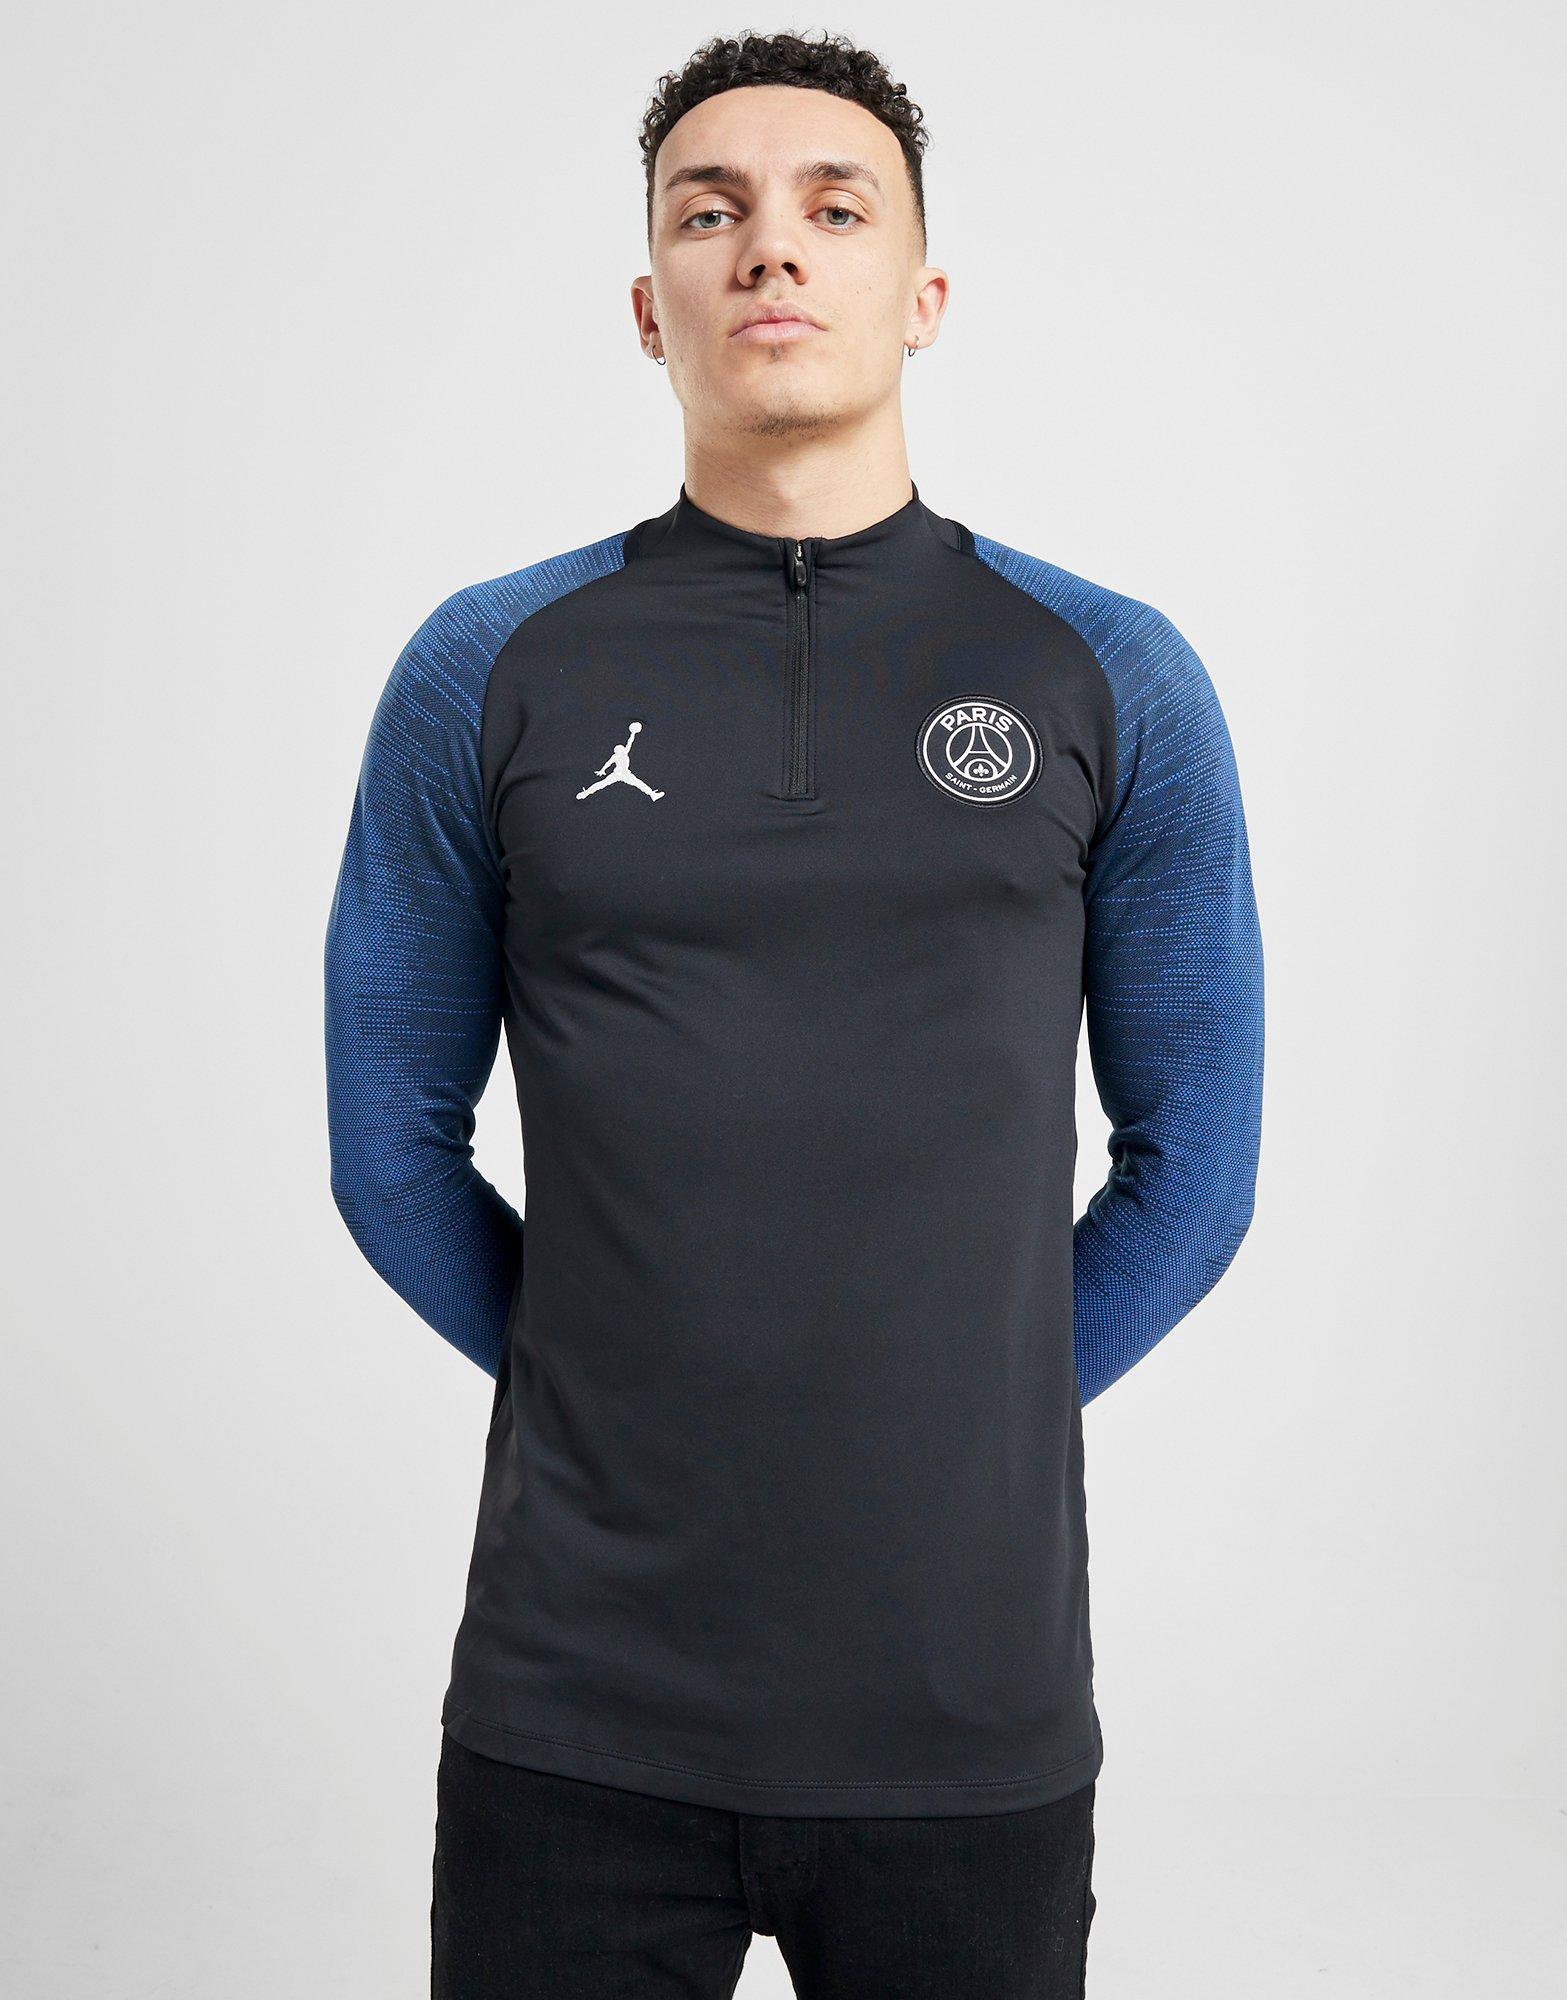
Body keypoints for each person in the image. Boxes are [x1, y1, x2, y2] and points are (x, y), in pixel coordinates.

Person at [323, 28, 1264, 1999]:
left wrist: (953, 1412)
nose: (771, 246)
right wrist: (616, 1385)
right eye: (711, 211)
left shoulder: (1108, 674)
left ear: (922, 294)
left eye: (836, 209)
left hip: (968, 1709)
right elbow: (388, 1146)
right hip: (575, 1706)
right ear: (645, 301)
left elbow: (1193, 1173)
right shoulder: (485, 668)